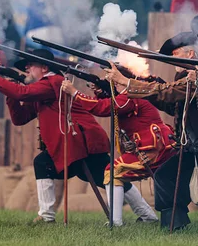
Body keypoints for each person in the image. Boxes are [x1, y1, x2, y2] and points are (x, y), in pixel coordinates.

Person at [105, 33, 198, 231]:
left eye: (175, 54)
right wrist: (139, 82)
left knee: (170, 178)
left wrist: (127, 83)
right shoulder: (185, 76)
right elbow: (171, 104)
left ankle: (177, 225)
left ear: (191, 53)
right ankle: (176, 225)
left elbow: (166, 92)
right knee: (190, 184)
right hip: (194, 145)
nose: (172, 59)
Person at [0, 49, 111, 224]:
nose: (27, 68)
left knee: (109, 178)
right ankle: (47, 216)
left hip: (83, 141)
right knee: (103, 177)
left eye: (31, 65)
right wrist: (9, 89)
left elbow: (21, 93)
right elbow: (20, 118)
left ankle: (146, 214)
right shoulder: (42, 91)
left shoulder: (52, 82)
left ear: (45, 67)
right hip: (76, 143)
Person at [61, 66, 175, 226]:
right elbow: (108, 102)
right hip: (159, 147)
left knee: (111, 172)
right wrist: (100, 91)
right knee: (185, 183)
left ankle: (116, 222)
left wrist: (75, 92)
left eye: (114, 82)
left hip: (154, 150)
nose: (114, 86)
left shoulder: (129, 96)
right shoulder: (129, 96)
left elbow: (103, 107)